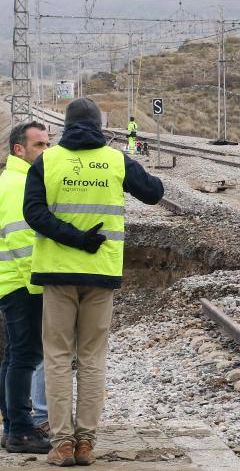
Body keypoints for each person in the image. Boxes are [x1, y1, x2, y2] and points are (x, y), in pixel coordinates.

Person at [24, 98, 164, 466]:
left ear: (67, 125)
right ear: (98, 125)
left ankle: (63, 444)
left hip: (57, 275)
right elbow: (154, 192)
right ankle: (86, 444)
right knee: (92, 358)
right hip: (100, 275)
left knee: (56, 357)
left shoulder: (46, 161)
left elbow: (33, 213)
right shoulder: (116, 159)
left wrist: (72, 237)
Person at [0, 122, 51, 454]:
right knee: (26, 355)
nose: (47, 151)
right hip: (22, 283)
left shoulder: (11, 179)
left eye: (48, 144)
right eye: (40, 146)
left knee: (13, 355)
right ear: (19, 149)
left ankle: (12, 425)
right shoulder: (19, 184)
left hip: (10, 281)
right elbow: (21, 239)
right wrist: (38, 285)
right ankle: (20, 430)